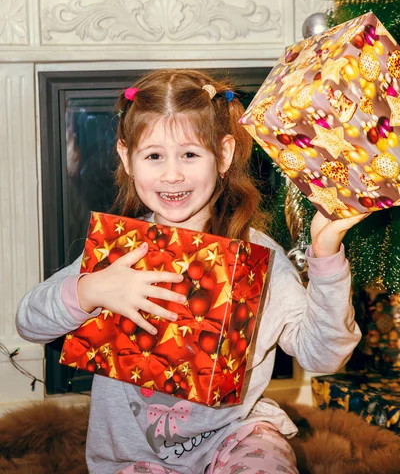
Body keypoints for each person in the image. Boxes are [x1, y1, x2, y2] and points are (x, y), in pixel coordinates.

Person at [16, 69, 364, 474]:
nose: (172, 174)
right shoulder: (118, 252)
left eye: (190, 154)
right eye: (153, 156)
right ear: (127, 159)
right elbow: (29, 322)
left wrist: (326, 258)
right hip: (133, 456)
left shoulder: (258, 256)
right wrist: (89, 291)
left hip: (236, 435)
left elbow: (323, 356)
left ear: (225, 154)